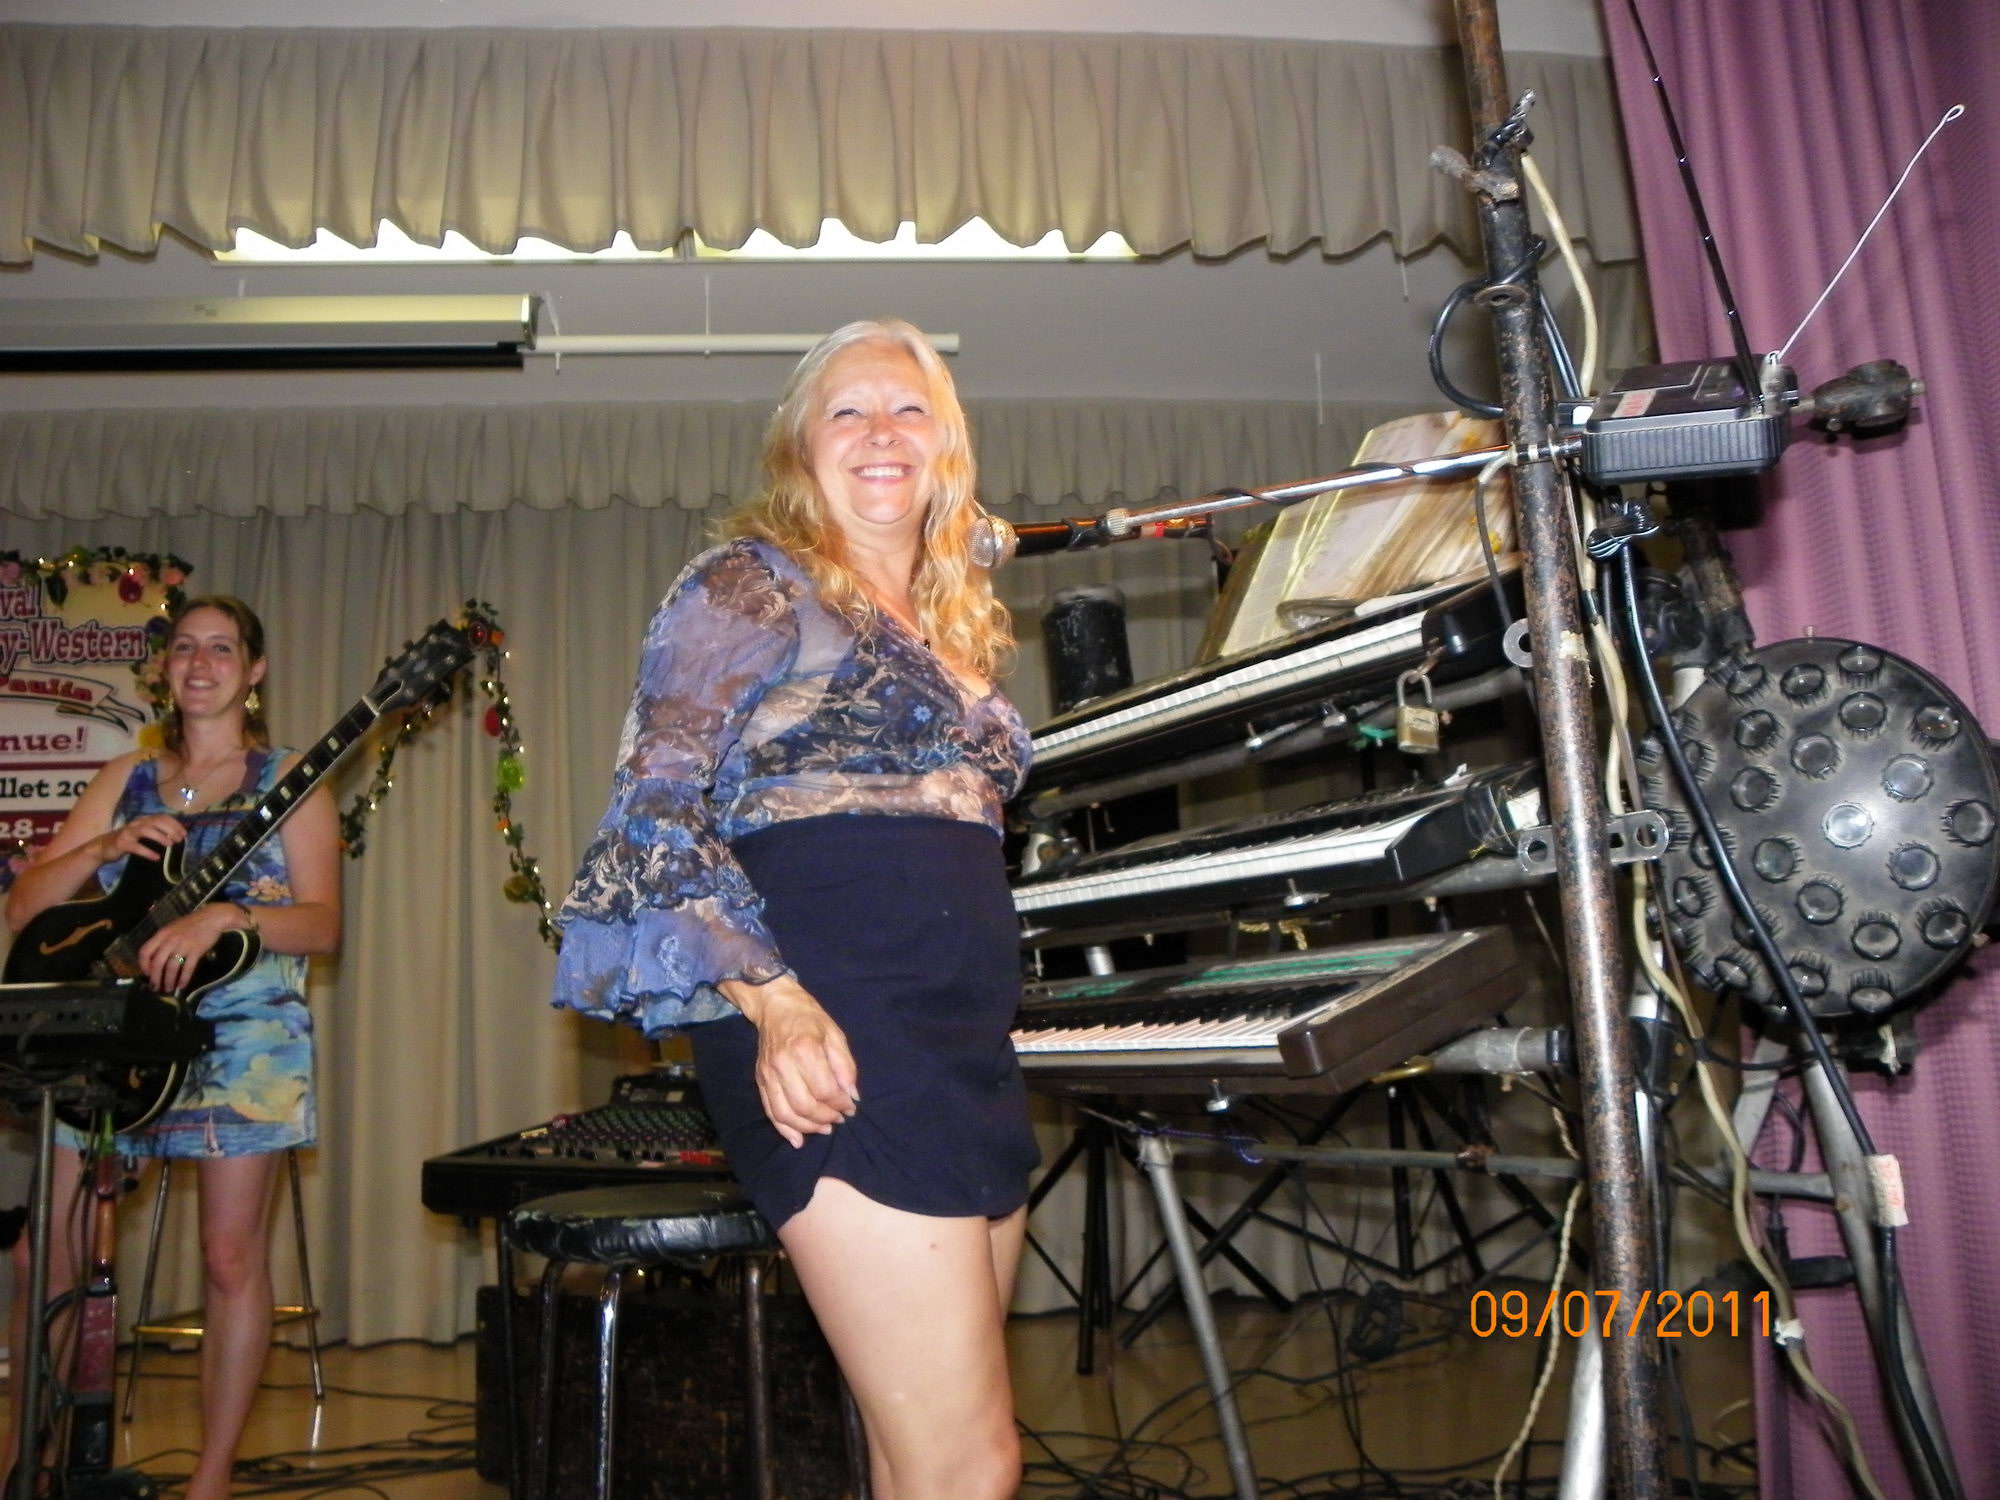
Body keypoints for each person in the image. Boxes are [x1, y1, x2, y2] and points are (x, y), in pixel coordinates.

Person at [553, 319, 1037, 1500]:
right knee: (970, 1463)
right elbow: (652, 810)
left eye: (909, 410)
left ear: (947, 448)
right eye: (847, 411)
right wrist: (772, 1004)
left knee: (916, 1457)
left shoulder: (954, 626)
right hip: (836, 1030)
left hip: (962, 1046)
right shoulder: (752, 584)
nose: (880, 432)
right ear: (799, 449)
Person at [4, 595, 342, 1500]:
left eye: (221, 648)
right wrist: (105, 845)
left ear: (254, 670)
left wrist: (230, 915)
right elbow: (25, 907)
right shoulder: (125, 777)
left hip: (244, 1039)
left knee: (229, 1259)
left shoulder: (290, 779)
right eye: (185, 647)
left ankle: (210, 1478)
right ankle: (30, 1461)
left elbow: (321, 925)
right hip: (115, 1041)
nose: (200, 663)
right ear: (164, 668)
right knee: (43, 1254)